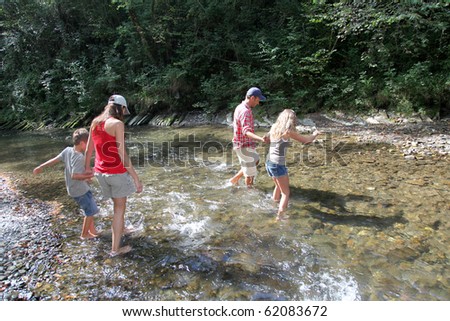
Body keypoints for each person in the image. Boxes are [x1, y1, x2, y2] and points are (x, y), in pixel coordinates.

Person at [85, 94, 143, 257]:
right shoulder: (117, 124)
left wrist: (87, 170)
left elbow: (89, 149)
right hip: (116, 173)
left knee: (116, 205)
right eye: (124, 110)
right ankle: (115, 250)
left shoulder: (95, 122)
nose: (124, 114)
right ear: (121, 108)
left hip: (100, 173)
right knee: (119, 209)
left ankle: (122, 229)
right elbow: (122, 154)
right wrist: (136, 178)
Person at [33, 128, 101, 239]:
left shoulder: (68, 150)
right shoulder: (79, 157)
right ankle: (84, 235)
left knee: (89, 208)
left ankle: (93, 230)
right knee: (90, 211)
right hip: (80, 190)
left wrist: (41, 166)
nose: (90, 147)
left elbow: (55, 160)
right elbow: (75, 175)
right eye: (88, 144)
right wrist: (91, 175)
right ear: (82, 143)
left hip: (73, 189)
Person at [265, 109, 319, 221]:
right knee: (286, 193)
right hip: (278, 165)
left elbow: (267, 139)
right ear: (291, 120)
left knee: (278, 186)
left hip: (269, 162)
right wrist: (315, 135)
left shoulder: (274, 126)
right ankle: (279, 217)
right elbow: (306, 141)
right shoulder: (287, 131)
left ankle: (274, 205)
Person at [229, 87, 269, 188]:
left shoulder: (240, 107)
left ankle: (235, 179)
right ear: (252, 98)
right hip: (244, 146)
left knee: (256, 160)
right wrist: (261, 139)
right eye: (258, 100)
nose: (258, 103)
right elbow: (246, 132)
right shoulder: (245, 112)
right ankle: (250, 193)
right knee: (250, 174)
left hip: (242, 144)